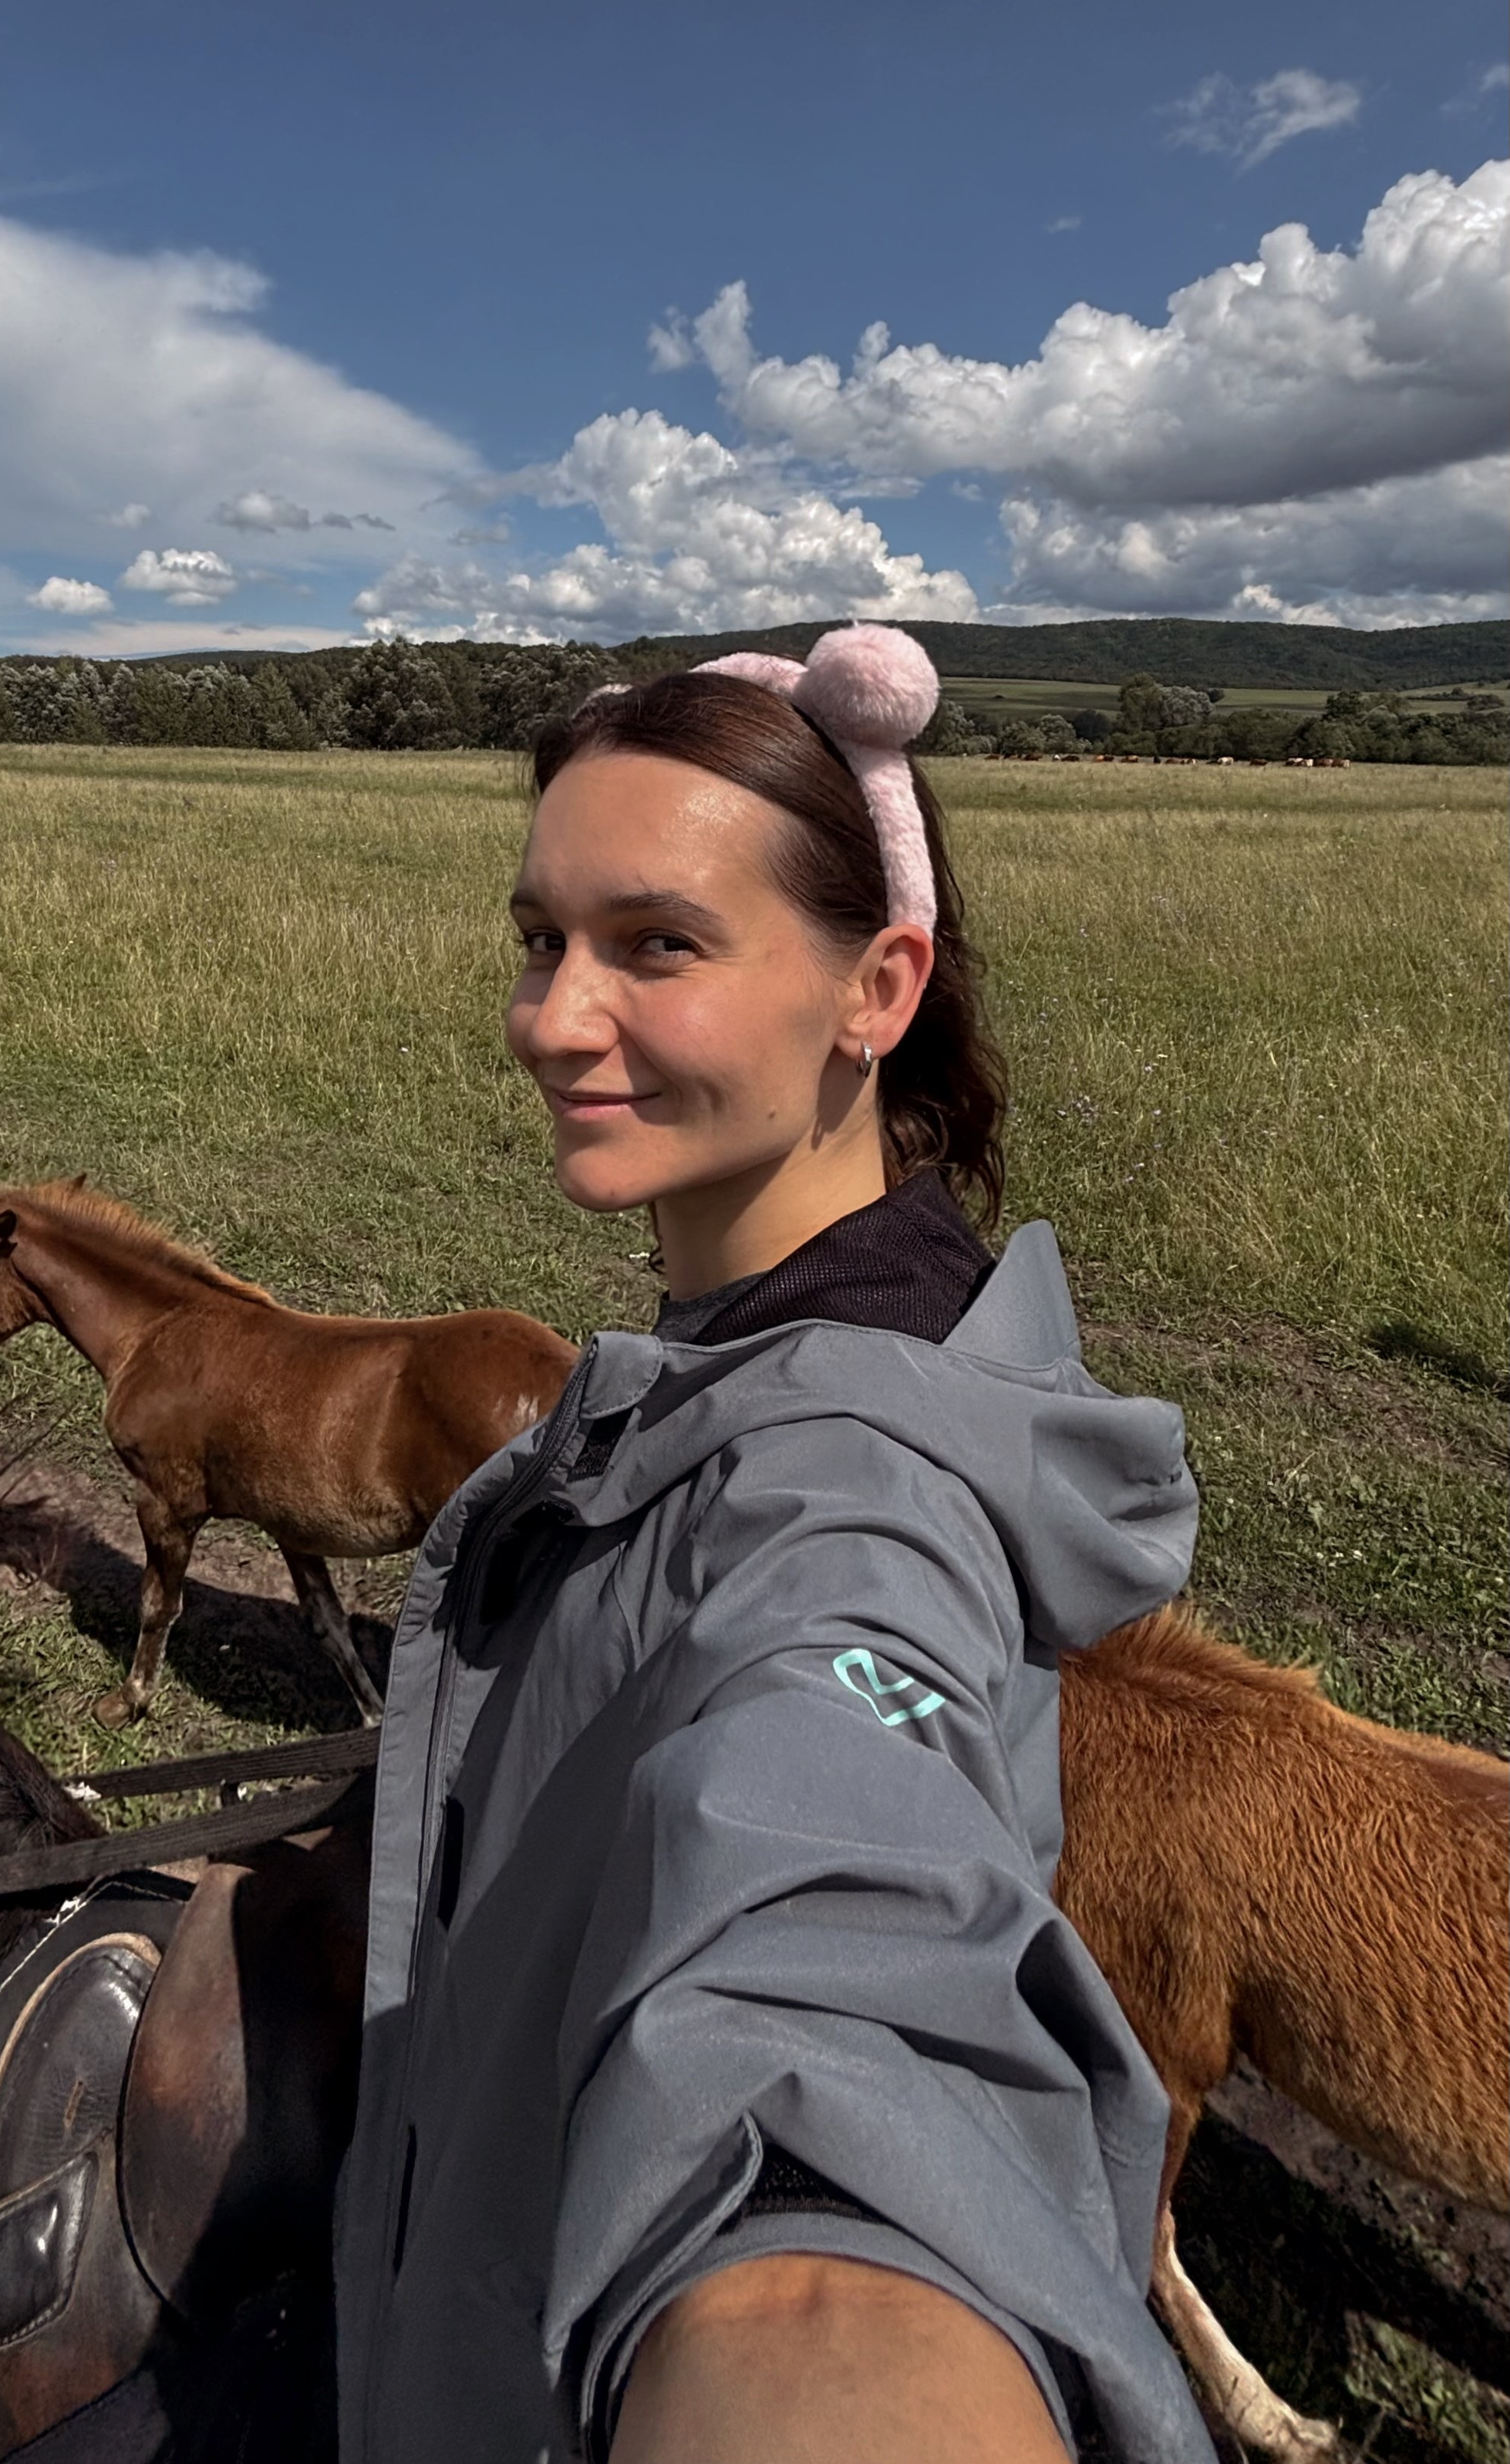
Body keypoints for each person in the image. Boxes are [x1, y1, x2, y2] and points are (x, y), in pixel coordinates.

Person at [334, 624, 1215, 2463]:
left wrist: (815, 2304)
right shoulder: (895, 1327)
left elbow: (828, 1979)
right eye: (540, 939)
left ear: (874, 988)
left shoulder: (843, 1479)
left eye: (656, 943)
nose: (552, 1017)